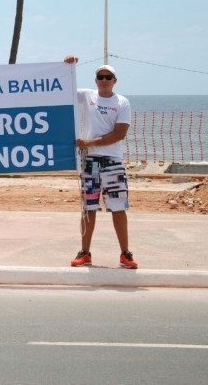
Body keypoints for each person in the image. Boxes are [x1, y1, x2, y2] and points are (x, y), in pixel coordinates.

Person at [64, 56, 138, 269]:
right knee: (88, 208)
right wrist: (68, 66)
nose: (104, 80)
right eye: (100, 77)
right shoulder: (88, 96)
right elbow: (62, 88)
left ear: (115, 80)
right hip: (90, 162)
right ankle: (85, 252)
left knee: (118, 207)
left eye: (108, 77)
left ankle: (125, 253)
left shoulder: (122, 102)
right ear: (96, 80)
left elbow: (119, 134)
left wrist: (90, 142)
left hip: (113, 161)